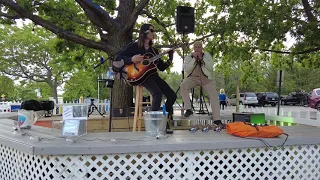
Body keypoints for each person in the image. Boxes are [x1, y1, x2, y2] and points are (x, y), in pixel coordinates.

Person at [115, 23, 177, 131]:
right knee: (157, 94)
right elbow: (118, 57)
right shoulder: (135, 46)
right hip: (140, 76)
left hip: (153, 75)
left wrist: (170, 58)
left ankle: (163, 119)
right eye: (151, 31)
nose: (154, 33)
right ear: (144, 32)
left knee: (172, 96)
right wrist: (131, 59)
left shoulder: (154, 51)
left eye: (154, 31)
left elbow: (161, 67)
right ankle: (154, 123)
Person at [180, 41, 222, 129]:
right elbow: (187, 69)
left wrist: (202, 60)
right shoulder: (189, 57)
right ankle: (188, 109)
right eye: (196, 47)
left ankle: (217, 119)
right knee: (183, 85)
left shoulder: (207, 55)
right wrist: (194, 59)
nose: (197, 49)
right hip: (193, 78)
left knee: (214, 94)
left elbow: (211, 67)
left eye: (199, 47)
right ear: (193, 48)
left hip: (205, 78)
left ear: (202, 48)